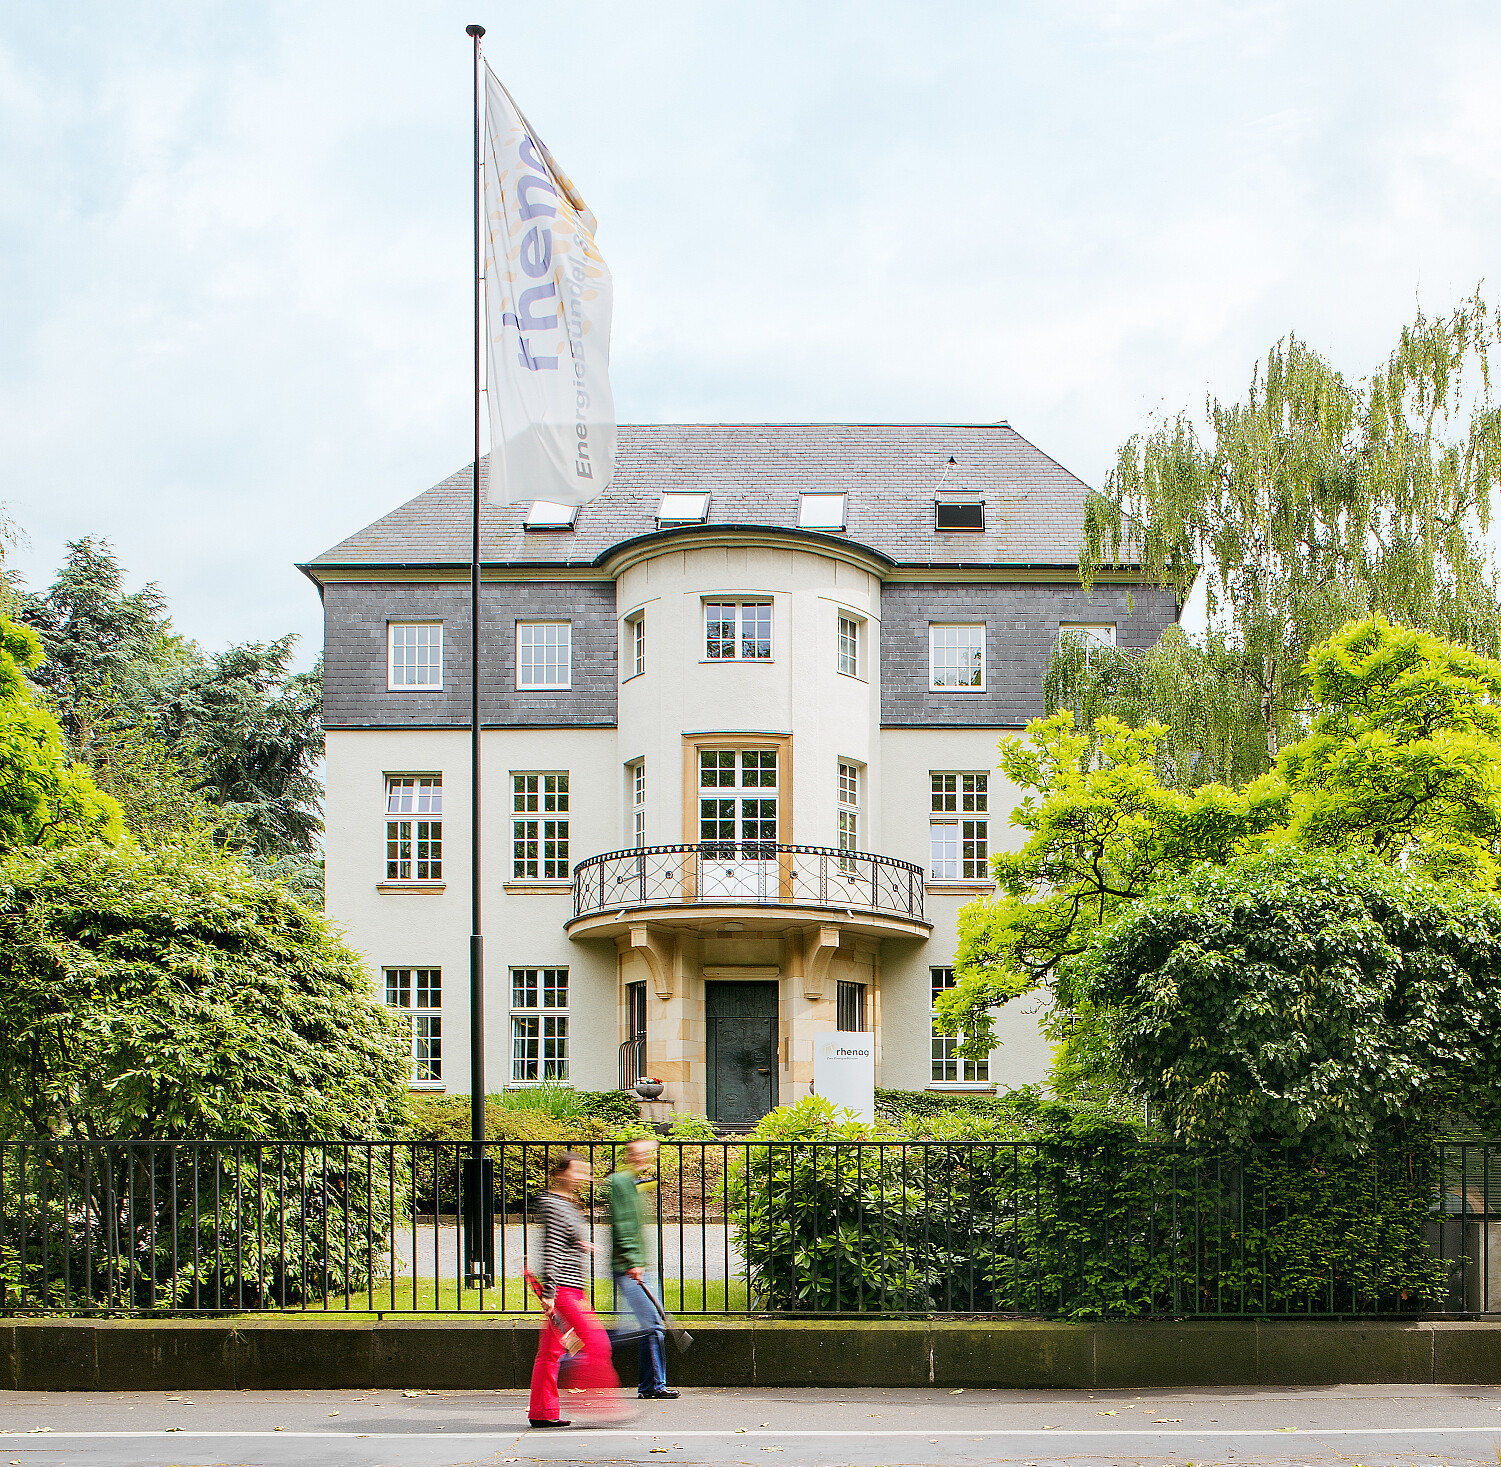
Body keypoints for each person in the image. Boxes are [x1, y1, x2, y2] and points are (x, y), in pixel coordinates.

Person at [528, 1151, 621, 1429]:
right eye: (577, 1170)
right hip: (564, 1290)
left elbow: (565, 1241)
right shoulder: (554, 1205)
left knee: (550, 1353)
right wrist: (550, 1293)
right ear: (560, 1173)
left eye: (586, 1171)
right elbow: (552, 1250)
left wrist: (582, 1243)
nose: (584, 1176)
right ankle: (595, 1403)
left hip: (571, 1287)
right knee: (597, 1344)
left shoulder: (568, 1203)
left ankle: (542, 1412)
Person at [607, 1136, 679, 1400]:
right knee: (651, 1326)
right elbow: (624, 1224)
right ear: (629, 1154)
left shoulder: (636, 1183)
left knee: (648, 1325)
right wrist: (633, 1260)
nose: (645, 1158)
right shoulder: (621, 1182)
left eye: (648, 1154)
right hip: (630, 1266)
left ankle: (651, 1387)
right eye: (640, 1153)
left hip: (638, 1265)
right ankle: (576, 1357)